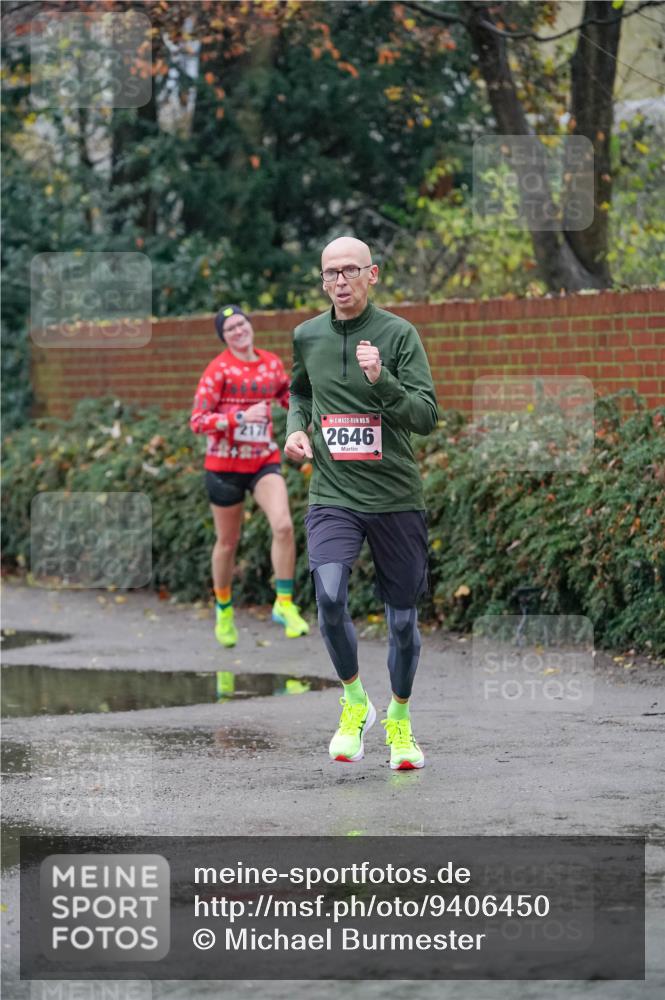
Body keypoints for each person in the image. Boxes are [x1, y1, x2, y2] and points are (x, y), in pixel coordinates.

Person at [285, 237, 438, 770]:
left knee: (401, 623)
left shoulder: (398, 335)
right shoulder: (307, 335)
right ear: (322, 280)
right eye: (330, 273)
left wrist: (382, 379)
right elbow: (299, 391)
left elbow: (425, 416)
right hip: (333, 492)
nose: (340, 281)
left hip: (395, 496)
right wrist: (296, 429)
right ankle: (354, 702)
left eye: (350, 270)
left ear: (372, 275)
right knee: (327, 596)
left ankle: (399, 719)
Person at [191, 304, 309, 647]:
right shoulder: (218, 371)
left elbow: (291, 398)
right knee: (227, 543)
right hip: (224, 468)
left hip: (262, 462)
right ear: (224, 338)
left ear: (250, 326)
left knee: (284, 525)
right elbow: (197, 421)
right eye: (230, 330)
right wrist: (238, 419)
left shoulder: (270, 364)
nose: (239, 331)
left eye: (242, 324)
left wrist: (309, 417)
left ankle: (284, 604)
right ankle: (224, 609)